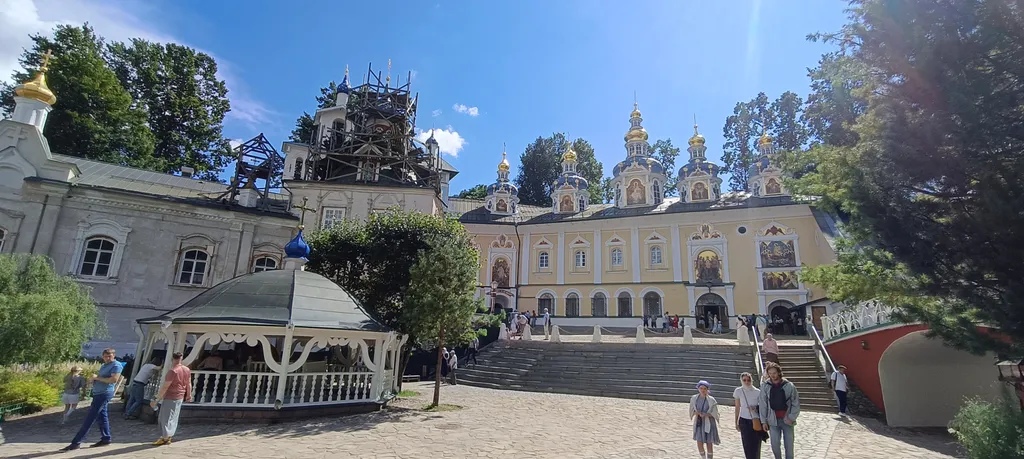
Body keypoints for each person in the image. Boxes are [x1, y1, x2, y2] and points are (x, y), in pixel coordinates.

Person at [61, 348, 123, 451]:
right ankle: (106, 438)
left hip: (104, 394)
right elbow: (101, 378)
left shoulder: (116, 365)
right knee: (102, 416)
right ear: (102, 356)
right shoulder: (104, 365)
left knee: (90, 417)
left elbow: (113, 380)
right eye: (106, 356)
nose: (107, 358)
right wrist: (94, 379)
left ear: (113, 356)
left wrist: (97, 378)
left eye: (110, 356)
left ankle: (76, 442)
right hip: (98, 393)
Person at [758, 362, 800, 459]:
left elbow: (795, 403)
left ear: (779, 372)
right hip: (773, 420)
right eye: (770, 373)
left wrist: (792, 417)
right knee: (775, 445)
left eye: (774, 373)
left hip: (787, 420)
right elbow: (763, 404)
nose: (773, 375)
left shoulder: (789, 386)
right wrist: (763, 421)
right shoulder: (765, 386)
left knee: (789, 445)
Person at [151, 352, 192, 446]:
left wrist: (157, 399)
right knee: (174, 417)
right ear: (181, 358)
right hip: (180, 396)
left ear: (172, 359)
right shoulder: (186, 369)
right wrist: (189, 395)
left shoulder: (173, 371)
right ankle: (169, 435)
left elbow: (165, 386)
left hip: (171, 396)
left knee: (165, 418)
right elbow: (188, 383)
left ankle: (165, 437)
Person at [734, 372, 766, 459]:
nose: (747, 382)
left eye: (748, 380)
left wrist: (755, 408)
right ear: (741, 380)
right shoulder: (738, 391)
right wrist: (736, 421)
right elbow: (737, 407)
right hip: (744, 419)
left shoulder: (757, 392)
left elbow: (763, 406)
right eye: (744, 380)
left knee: (756, 444)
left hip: (755, 419)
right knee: (746, 444)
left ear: (751, 380)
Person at [689, 380, 721, 459]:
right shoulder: (694, 398)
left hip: (709, 422)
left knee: (709, 442)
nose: (703, 390)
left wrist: (706, 414)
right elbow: (692, 409)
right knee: (699, 441)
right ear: (698, 389)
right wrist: (696, 413)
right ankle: (703, 457)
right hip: (699, 422)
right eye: (701, 388)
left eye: (704, 388)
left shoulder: (711, 400)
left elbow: (715, 413)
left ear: (707, 389)